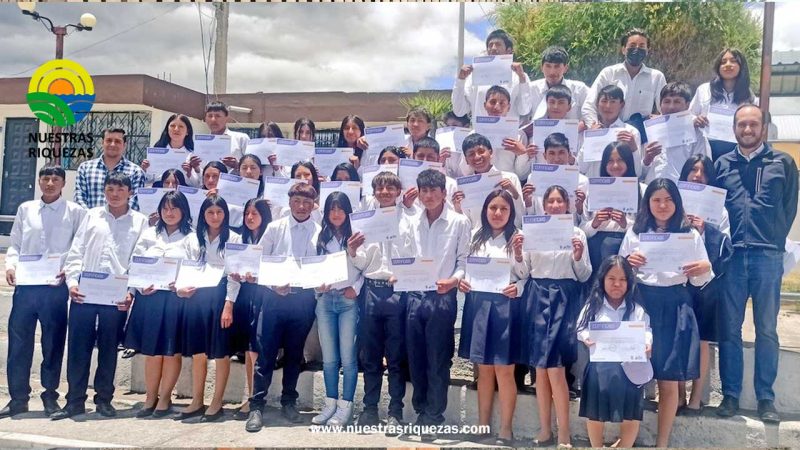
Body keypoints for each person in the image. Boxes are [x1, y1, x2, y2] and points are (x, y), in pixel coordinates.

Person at [714, 104, 798, 423]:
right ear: (734, 128)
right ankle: (730, 395)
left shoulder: (783, 163)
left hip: (767, 257)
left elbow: (789, 207)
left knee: (767, 329)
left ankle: (766, 399)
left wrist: (775, 240)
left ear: (764, 127)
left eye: (753, 124)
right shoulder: (722, 164)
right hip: (732, 257)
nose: (747, 130)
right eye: (741, 125)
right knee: (730, 330)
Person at [619, 178, 713, 447]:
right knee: (634, 374)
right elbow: (620, 277)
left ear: (677, 203)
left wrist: (704, 267)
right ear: (647, 203)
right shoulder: (635, 233)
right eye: (656, 199)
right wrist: (628, 264)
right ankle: (626, 439)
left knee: (668, 380)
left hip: (675, 305)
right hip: (642, 305)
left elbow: (698, 281)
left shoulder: (690, 234)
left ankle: (662, 443)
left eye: (668, 199)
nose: (662, 205)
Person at [53, 172, 149, 420]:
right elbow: (76, 253)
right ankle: (74, 401)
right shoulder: (92, 216)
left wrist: (131, 293)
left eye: (119, 189)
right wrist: (72, 283)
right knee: (78, 349)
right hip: (84, 295)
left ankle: (104, 400)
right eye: (110, 189)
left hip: (115, 299)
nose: (114, 194)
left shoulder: (139, 222)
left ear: (130, 192)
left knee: (108, 350)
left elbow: (138, 262)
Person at [1, 166, 86, 419]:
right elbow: (15, 243)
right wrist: (10, 266)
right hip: (26, 288)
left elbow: (77, 247)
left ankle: (50, 395)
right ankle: (18, 398)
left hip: (54, 288)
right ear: (39, 181)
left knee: (53, 342)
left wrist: (67, 270)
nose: (50, 183)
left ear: (63, 183)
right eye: (46, 178)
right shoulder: (26, 209)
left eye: (55, 179)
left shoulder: (74, 212)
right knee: (19, 343)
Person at [398, 169, 471, 438]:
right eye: (424, 191)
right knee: (416, 357)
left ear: (443, 192)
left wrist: (453, 281)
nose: (429, 196)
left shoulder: (459, 222)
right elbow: (404, 256)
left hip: (442, 297)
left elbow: (464, 261)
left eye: (433, 191)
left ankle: (435, 415)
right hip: (414, 296)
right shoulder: (411, 222)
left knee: (438, 358)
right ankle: (421, 411)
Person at [246, 183, 322, 432]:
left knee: (294, 354)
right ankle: (256, 406)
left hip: (303, 301)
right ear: (289, 202)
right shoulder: (275, 228)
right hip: (274, 298)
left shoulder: (319, 232)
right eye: (297, 201)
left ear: (314, 204)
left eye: (307, 202)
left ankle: (289, 402)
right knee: (265, 354)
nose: (302, 206)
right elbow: (258, 263)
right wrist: (272, 284)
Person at [521, 185, 591, 447]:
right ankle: (544, 429)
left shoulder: (577, 233)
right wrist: (518, 254)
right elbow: (524, 270)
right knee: (540, 369)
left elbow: (583, 275)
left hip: (563, 297)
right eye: (549, 201)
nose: (554, 206)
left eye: (559, 201)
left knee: (556, 369)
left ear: (567, 204)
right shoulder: (533, 230)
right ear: (543, 204)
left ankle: (563, 432)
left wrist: (577, 256)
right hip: (537, 295)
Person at [458, 190, 527, 445]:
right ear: (485, 210)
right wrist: (463, 282)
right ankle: (482, 426)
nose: (497, 213)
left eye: (503, 209)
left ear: (511, 213)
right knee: (484, 371)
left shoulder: (518, 238)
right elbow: (465, 269)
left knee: (505, 371)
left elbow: (526, 274)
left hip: (506, 307)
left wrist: (517, 283)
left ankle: (505, 430)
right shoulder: (476, 236)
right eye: (493, 208)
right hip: (478, 306)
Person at [352, 171, 415, 429]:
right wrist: (353, 251)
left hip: (397, 292)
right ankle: (369, 409)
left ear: (398, 191)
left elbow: (416, 253)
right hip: (371, 291)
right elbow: (362, 262)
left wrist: (404, 274)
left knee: (396, 356)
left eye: (390, 188)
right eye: (380, 188)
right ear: (374, 192)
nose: (385, 192)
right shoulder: (365, 221)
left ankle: (395, 411)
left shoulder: (411, 220)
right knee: (371, 355)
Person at [125, 190, 193, 419]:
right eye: (165, 208)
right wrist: (139, 285)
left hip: (176, 300)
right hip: (150, 299)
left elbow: (196, 268)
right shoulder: (148, 235)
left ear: (183, 210)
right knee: (152, 352)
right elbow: (134, 264)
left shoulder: (192, 237)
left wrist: (183, 285)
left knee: (171, 351)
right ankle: (150, 397)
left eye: (174, 208)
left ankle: (165, 398)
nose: (169, 213)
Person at [174, 195, 242, 423]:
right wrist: (180, 289)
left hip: (220, 296)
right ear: (203, 214)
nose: (215, 217)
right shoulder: (192, 239)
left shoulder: (234, 238)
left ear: (225, 214)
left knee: (221, 352)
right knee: (198, 352)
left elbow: (234, 277)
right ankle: (197, 400)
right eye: (210, 212)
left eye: (219, 212)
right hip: (196, 297)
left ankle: (216, 402)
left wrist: (228, 305)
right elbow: (184, 268)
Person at [676, 155, 733, 415]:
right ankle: (676, 395)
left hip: (706, 286)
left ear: (710, 177)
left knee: (701, 342)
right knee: (676, 338)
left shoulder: (718, 210)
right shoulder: (673, 203)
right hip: (676, 281)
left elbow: (726, 248)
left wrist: (704, 229)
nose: (697, 175)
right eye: (693, 170)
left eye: (703, 171)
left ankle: (696, 397)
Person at [577, 255, 651, 448]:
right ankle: (597, 446)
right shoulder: (592, 305)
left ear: (629, 282)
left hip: (630, 369)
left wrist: (647, 343)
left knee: (631, 413)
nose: (616, 284)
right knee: (595, 412)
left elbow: (646, 330)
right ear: (602, 279)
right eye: (611, 278)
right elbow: (580, 327)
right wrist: (586, 337)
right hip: (599, 368)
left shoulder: (636, 309)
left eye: (622, 279)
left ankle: (625, 446)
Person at [311, 192, 363, 427]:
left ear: (348, 212)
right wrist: (317, 287)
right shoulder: (319, 237)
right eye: (332, 209)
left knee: (348, 357)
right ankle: (330, 403)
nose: (336, 213)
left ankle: (346, 406)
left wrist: (357, 288)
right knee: (329, 358)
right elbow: (310, 268)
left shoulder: (357, 236)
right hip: (325, 301)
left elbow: (365, 266)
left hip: (347, 300)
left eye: (341, 209)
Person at [582, 28, 667, 141]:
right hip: (608, 135)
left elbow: (666, 110)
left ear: (647, 50)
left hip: (639, 139)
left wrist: (658, 121)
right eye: (632, 45)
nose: (637, 49)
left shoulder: (656, 77)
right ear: (623, 49)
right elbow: (588, 105)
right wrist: (594, 127)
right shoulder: (609, 73)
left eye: (641, 46)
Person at [230, 198, 272, 421]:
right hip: (243, 297)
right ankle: (249, 395)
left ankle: (254, 397)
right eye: (247, 213)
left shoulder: (271, 237)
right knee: (247, 348)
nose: (250, 217)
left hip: (264, 295)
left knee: (256, 348)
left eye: (255, 213)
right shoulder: (239, 239)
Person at [580, 142, 640, 282]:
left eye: (620, 160)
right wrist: (594, 223)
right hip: (597, 249)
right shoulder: (593, 189)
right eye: (610, 161)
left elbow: (646, 228)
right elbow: (582, 229)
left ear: (629, 162)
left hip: (626, 246)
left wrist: (626, 224)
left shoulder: (641, 189)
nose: (615, 166)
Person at [690, 48, 756, 161]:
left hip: (735, 153)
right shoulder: (704, 89)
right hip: (705, 150)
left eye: (733, 61)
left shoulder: (750, 97)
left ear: (741, 66)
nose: (728, 65)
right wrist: (695, 120)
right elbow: (689, 115)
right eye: (723, 61)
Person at [452, 29, 532, 118]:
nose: (493, 48)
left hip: (509, 131)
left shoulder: (519, 77)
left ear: (509, 51)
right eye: (490, 45)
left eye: (498, 45)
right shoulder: (473, 77)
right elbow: (459, 111)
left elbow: (524, 110)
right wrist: (460, 81)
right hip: (481, 131)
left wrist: (522, 78)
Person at [641, 82, 711, 184]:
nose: (671, 107)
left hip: (681, 193)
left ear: (687, 105)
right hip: (652, 190)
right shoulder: (650, 130)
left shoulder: (697, 133)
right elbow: (640, 173)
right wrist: (647, 159)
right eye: (667, 101)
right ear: (660, 105)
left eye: (677, 102)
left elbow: (704, 170)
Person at [453, 134, 524, 229]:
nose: (477, 157)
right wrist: (458, 208)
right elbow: (467, 224)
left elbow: (520, 216)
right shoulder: (465, 186)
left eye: (481, 151)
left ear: (491, 153)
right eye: (471, 154)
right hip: (477, 240)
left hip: (507, 238)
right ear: (466, 160)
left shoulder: (510, 178)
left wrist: (514, 193)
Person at [576, 85, 642, 178]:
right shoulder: (590, 132)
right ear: (597, 104)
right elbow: (580, 168)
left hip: (621, 189)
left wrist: (633, 148)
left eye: (613, 102)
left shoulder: (631, 132)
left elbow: (637, 173)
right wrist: (589, 140)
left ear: (622, 105)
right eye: (604, 101)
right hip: (594, 188)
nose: (608, 106)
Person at [74, 128, 146, 210]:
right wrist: (92, 219)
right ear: (102, 143)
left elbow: (135, 202)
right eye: (109, 140)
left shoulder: (136, 172)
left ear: (124, 145)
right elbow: (79, 197)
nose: (112, 144)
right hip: (89, 221)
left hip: (123, 222)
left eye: (117, 141)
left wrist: (116, 220)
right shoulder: (85, 168)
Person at [529, 46, 589, 121]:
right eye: (548, 66)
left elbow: (591, 111)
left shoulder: (580, 90)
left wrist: (581, 126)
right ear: (541, 67)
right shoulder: (531, 89)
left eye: (557, 66)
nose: (552, 72)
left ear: (565, 68)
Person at [141, 114, 200, 186]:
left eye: (181, 126)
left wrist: (189, 173)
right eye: (172, 126)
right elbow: (149, 180)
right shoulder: (157, 151)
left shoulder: (193, 155)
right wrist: (144, 169)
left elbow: (198, 184)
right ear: (167, 129)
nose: (176, 129)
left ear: (187, 131)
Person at [203, 101, 250, 172]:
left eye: (218, 116)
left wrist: (237, 165)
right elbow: (199, 174)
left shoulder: (241, 139)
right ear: (205, 119)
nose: (213, 120)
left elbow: (253, 166)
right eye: (210, 116)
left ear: (226, 118)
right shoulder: (201, 143)